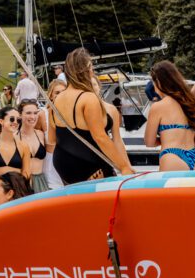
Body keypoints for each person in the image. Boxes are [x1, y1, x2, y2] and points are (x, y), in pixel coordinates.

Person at [50, 48, 133, 184]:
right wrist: (124, 167)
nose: (92, 72)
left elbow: (53, 138)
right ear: (85, 69)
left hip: (62, 162)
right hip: (88, 164)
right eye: (91, 68)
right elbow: (100, 137)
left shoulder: (58, 98)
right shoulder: (88, 98)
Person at [144, 61, 195, 172]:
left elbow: (149, 142)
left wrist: (166, 138)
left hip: (172, 157)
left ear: (158, 82)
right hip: (194, 158)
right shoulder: (192, 104)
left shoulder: (158, 107)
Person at [0, 107, 31, 181]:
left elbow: (26, 173)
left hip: (16, 188)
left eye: (18, 120)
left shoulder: (23, 146)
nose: (16, 122)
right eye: (12, 119)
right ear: (1, 121)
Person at [39, 79, 66, 190]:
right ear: (50, 95)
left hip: (70, 161)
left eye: (63, 92)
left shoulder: (73, 114)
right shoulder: (42, 115)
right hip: (51, 163)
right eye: (57, 92)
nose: (60, 95)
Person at [18, 100, 49, 192]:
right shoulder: (14, 137)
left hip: (41, 181)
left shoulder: (41, 135)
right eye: (28, 113)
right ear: (20, 114)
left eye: (35, 113)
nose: (33, 116)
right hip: (22, 181)